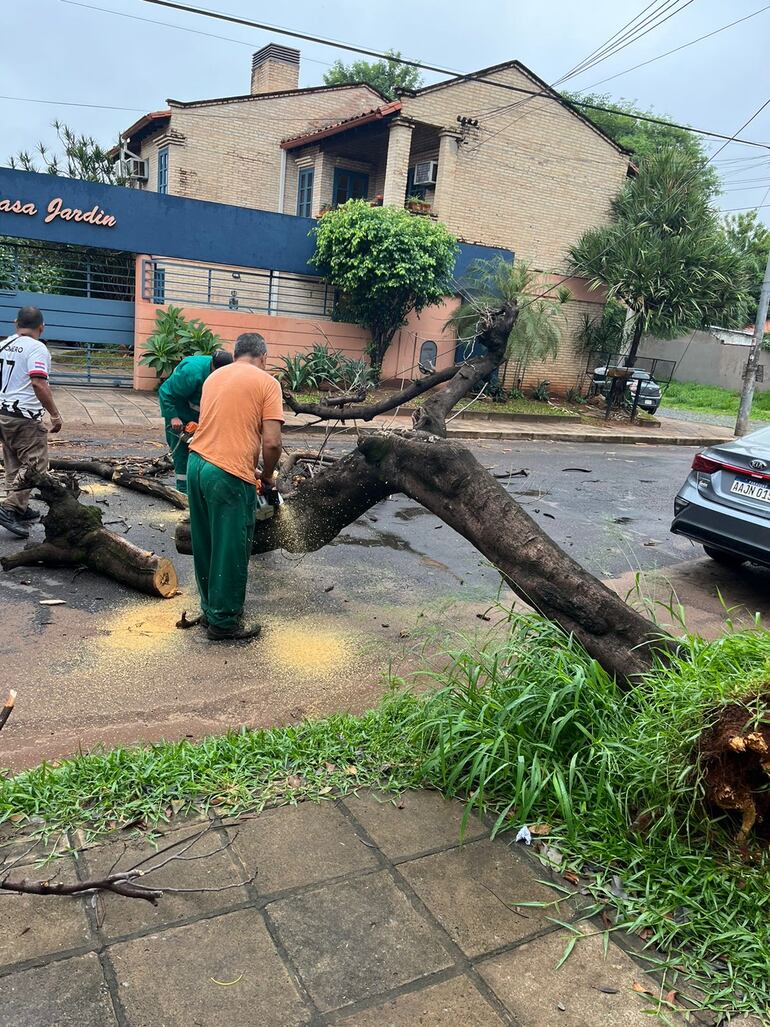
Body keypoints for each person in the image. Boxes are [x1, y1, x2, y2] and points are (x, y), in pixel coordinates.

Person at [187, 332, 283, 641]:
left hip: (197, 464)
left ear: (236, 352)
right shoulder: (268, 383)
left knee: (206, 542)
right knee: (231, 547)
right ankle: (225, 622)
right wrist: (267, 475)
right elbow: (272, 442)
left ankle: (210, 608)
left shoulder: (214, 378)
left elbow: (223, 427)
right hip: (226, 475)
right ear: (263, 357)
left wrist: (247, 464)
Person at [0, 306, 62, 540]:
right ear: (41, 327)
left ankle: (19, 508)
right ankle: (9, 508)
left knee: (14, 460)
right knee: (36, 465)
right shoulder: (37, 348)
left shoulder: (4, 345)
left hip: (3, 414)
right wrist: (54, 414)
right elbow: (38, 383)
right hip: (24, 417)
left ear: (16, 323)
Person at [158, 349, 233, 494]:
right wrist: (173, 416)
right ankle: (183, 491)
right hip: (180, 415)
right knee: (182, 453)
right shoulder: (192, 372)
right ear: (213, 366)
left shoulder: (229, 374)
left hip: (202, 416)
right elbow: (166, 392)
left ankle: (201, 487)